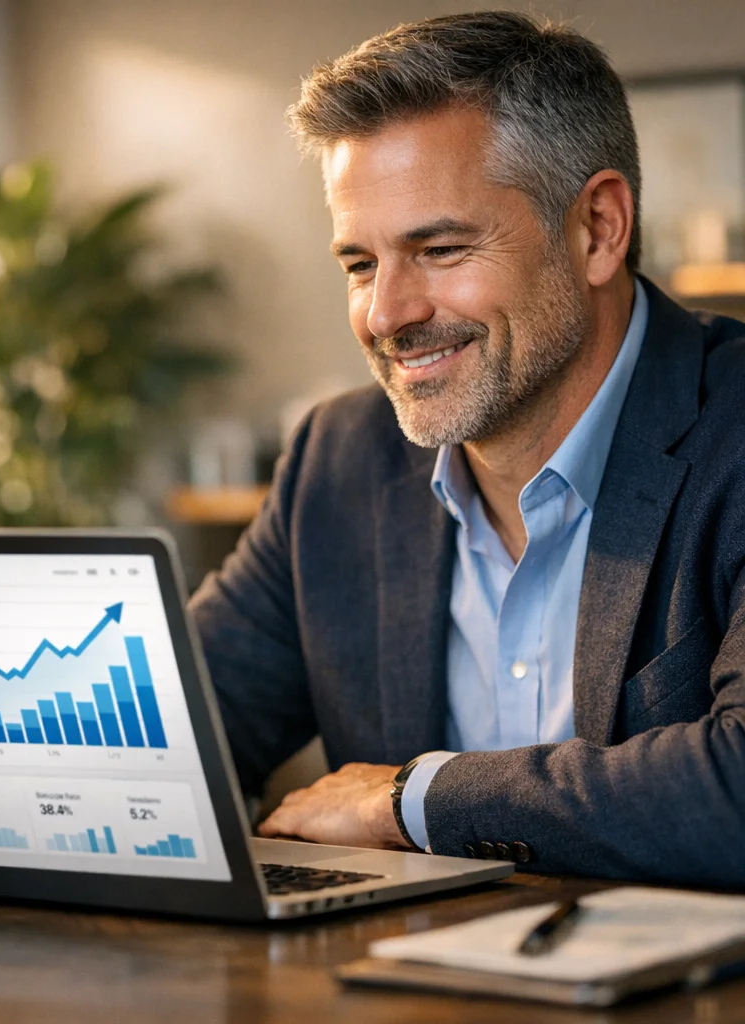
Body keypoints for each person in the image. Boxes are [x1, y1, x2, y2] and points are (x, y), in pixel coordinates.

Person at [188, 10, 745, 886]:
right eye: (360, 265)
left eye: (439, 249)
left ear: (599, 227)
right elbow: (176, 738)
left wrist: (410, 802)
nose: (386, 314)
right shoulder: (339, 460)